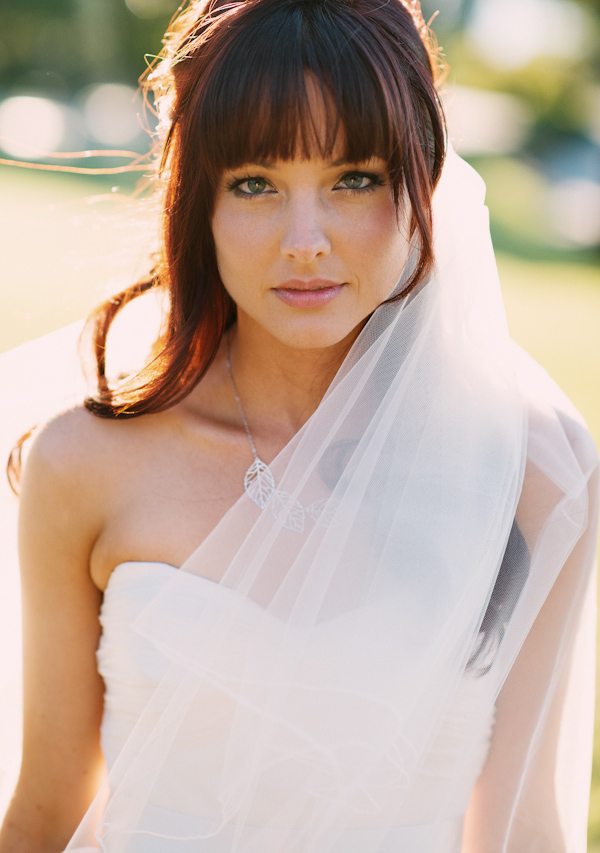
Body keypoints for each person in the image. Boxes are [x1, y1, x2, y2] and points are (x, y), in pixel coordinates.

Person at [0, 0, 598, 850]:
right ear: (197, 200)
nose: (305, 240)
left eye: (354, 178)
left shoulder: (533, 474)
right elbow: (44, 810)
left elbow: (522, 829)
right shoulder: (84, 463)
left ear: (421, 181)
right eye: (255, 184)